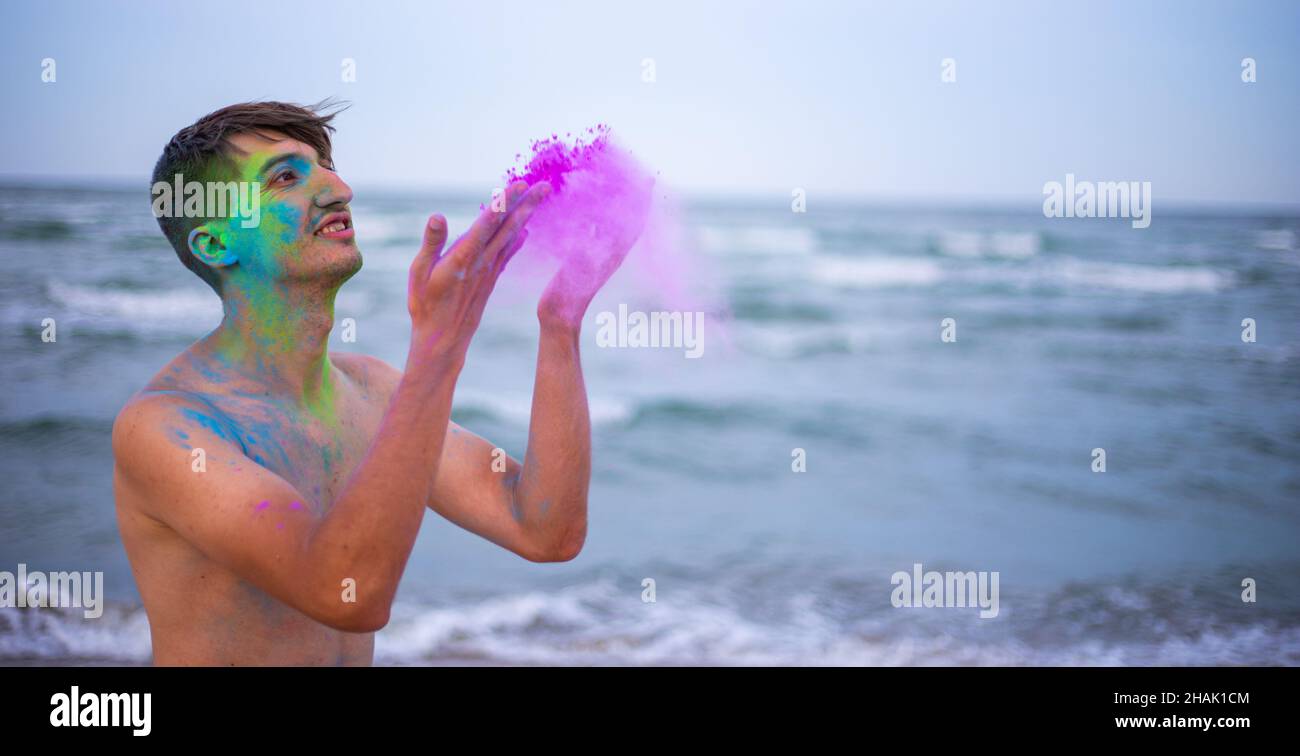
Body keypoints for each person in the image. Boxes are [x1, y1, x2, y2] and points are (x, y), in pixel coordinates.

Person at [112, 101, 635, 665]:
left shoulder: (372, 392)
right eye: (286, 177)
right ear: (216, 244)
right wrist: (438, 349)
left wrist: (561, 319)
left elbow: (546, 530)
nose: (339, 188)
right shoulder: (168, 429)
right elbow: (346, 592)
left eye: (326, 166)